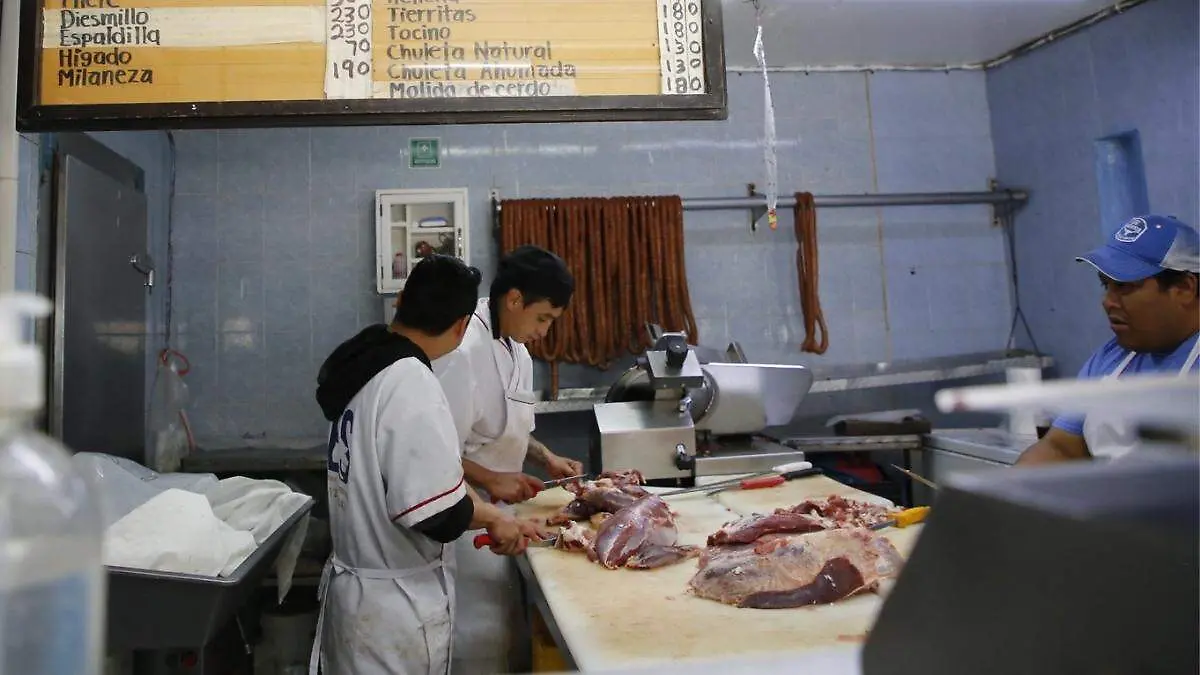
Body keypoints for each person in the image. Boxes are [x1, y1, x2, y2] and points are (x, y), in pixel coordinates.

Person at [309, 254, 545, 675]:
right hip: (394, 610)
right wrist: (495, 518)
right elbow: (435, 513)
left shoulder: (363, 367)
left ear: (401, 301)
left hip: (358, 599)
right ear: (460, 326)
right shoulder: (410, 380)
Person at [431, 245, 583, 674]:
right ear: (514, 300)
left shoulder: (518, 349)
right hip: (462, 521)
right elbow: (433, 449)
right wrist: (489, 478)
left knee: (508, 634)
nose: (544, 332)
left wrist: (546, 457)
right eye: (543, 319)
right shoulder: (462, 349)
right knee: (479, 643)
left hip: (503, 517)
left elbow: (508, 428)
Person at [1017, 215, 1199, 466]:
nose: (1108, 302)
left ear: (1185, 288)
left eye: (1125, 286)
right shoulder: (1111, 358)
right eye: (1106, 286)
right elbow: (1061, 446)